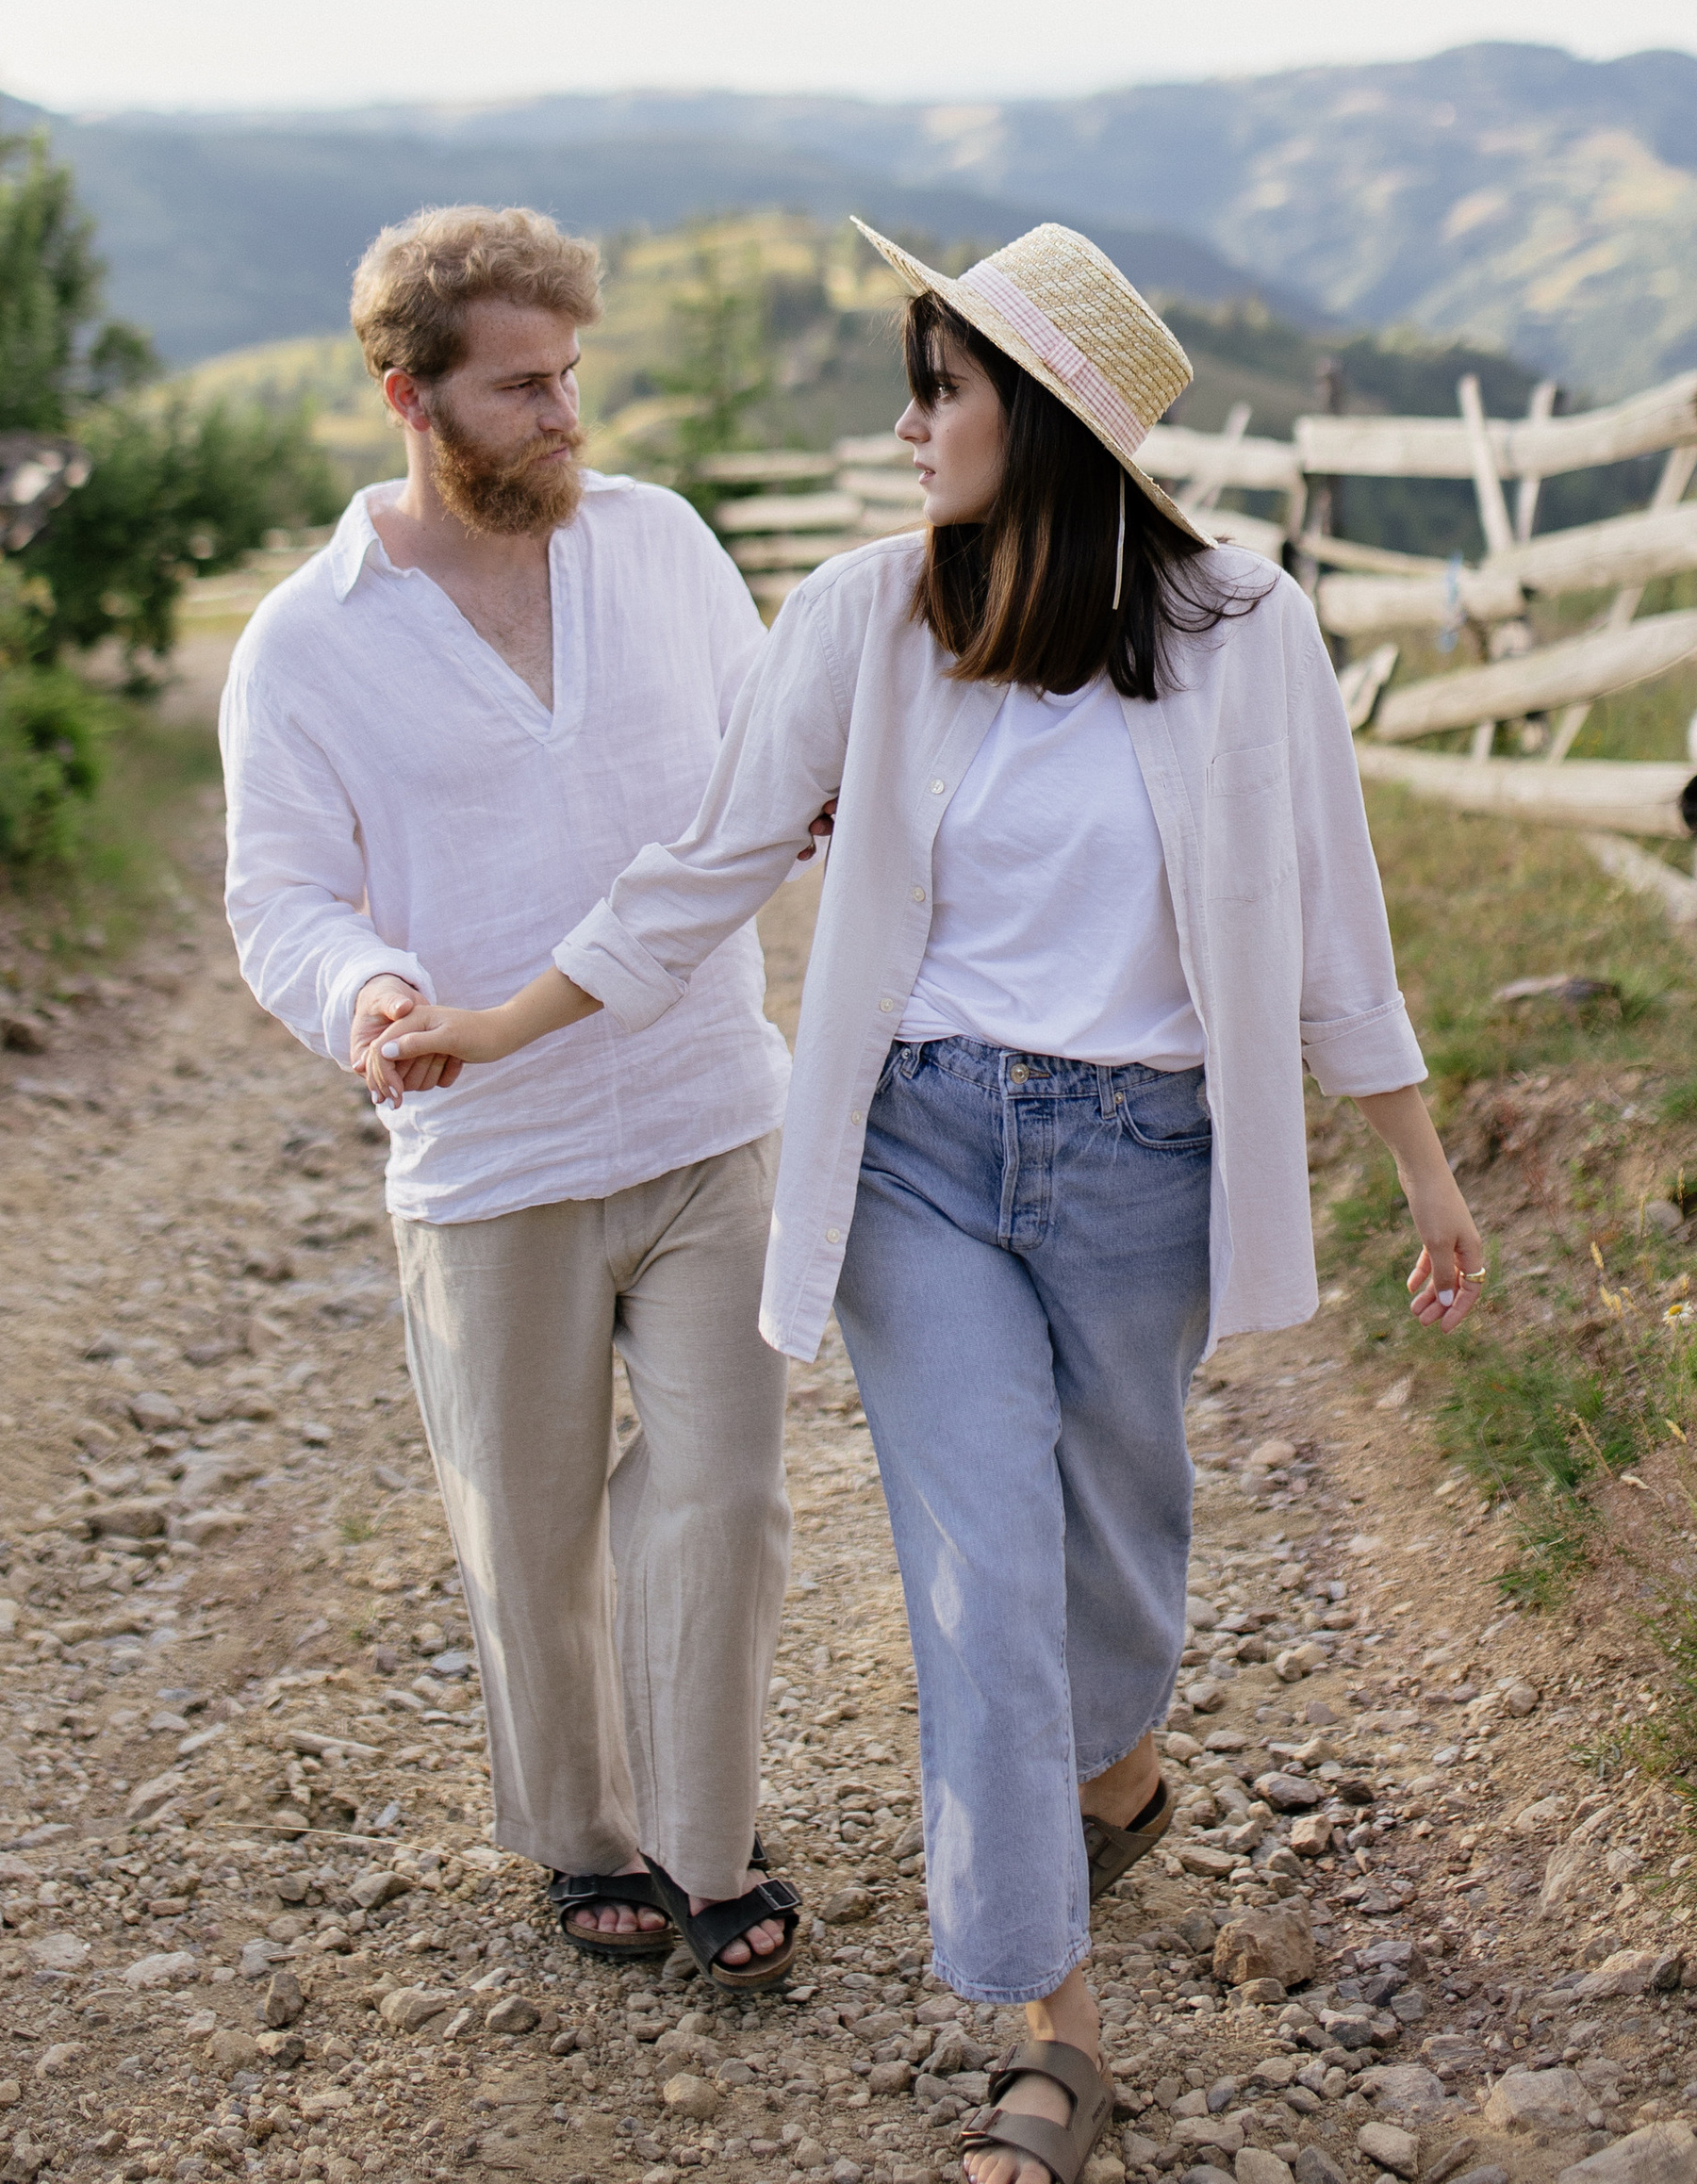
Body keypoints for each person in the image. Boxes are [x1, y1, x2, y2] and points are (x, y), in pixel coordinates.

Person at [379, 218, 1488, 2179]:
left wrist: (1418, 1169)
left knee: (1115, 1567)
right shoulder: (863, 623)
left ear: (1039, 417)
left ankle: (1111, 1784)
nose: (906, 428)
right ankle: (1047, 2039)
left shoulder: (1242, 633)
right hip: (920, 1158)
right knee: (983, 1584)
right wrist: (498, 1021)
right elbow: (704, 868)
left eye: (941, 389)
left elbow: (1331, 927)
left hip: (1146, 1162)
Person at [218, 203, 807, 1985]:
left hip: (714, 1107)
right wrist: (369, 985)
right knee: (532, 1531)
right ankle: (578, 1831)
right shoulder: (304, 644)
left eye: (573, 376)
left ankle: (707, 1844)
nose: (567, 417)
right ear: (408, 396)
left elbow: (768, 758)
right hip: (491, 1160)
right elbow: (280, 896)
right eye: (521, 388)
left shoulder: (665, 546)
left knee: (722, 1497)